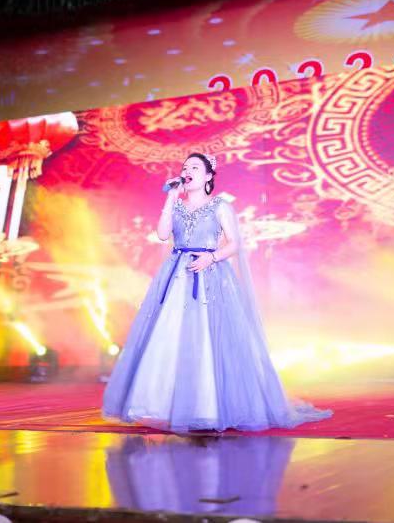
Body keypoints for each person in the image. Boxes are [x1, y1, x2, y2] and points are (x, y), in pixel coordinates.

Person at [102, 153, 332, 432]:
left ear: (208, 176)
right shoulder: (177, 205)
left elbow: (234, 244)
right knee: (170, 334)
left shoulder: (220, 206)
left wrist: (211, 258)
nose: (187, 171)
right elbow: (163, 234)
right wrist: (170, 198)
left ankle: (207, 407)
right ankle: (160, 405)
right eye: (185, 167)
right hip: (177, 276)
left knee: (208, 337)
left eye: (195, 167)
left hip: (210, 274)